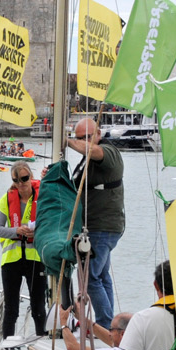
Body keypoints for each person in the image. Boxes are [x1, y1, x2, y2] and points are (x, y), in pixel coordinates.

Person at [66, 118, 125, 327]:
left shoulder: (108, 153)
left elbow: (93, 151)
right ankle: (109, 325)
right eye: (80, 138)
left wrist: (66, 141)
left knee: (90, 279)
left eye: (88, 137)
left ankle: (106, 325)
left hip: (103, 228)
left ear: (99, 134)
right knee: (101, 276)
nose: (84, 142)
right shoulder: (85, 162)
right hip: (94, 228)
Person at [0, 162, 47, 338]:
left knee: (38, 307)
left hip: (35, 259)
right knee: (11, 309)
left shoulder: (43, 197)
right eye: (16, 180)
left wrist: (36, 230)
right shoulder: (6, 199)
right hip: (11, 260)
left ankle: (43, 341)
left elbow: (51, 222)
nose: (21, 183)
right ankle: (6, 346)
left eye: (24, 178)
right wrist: (16, 230)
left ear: (30, 177)